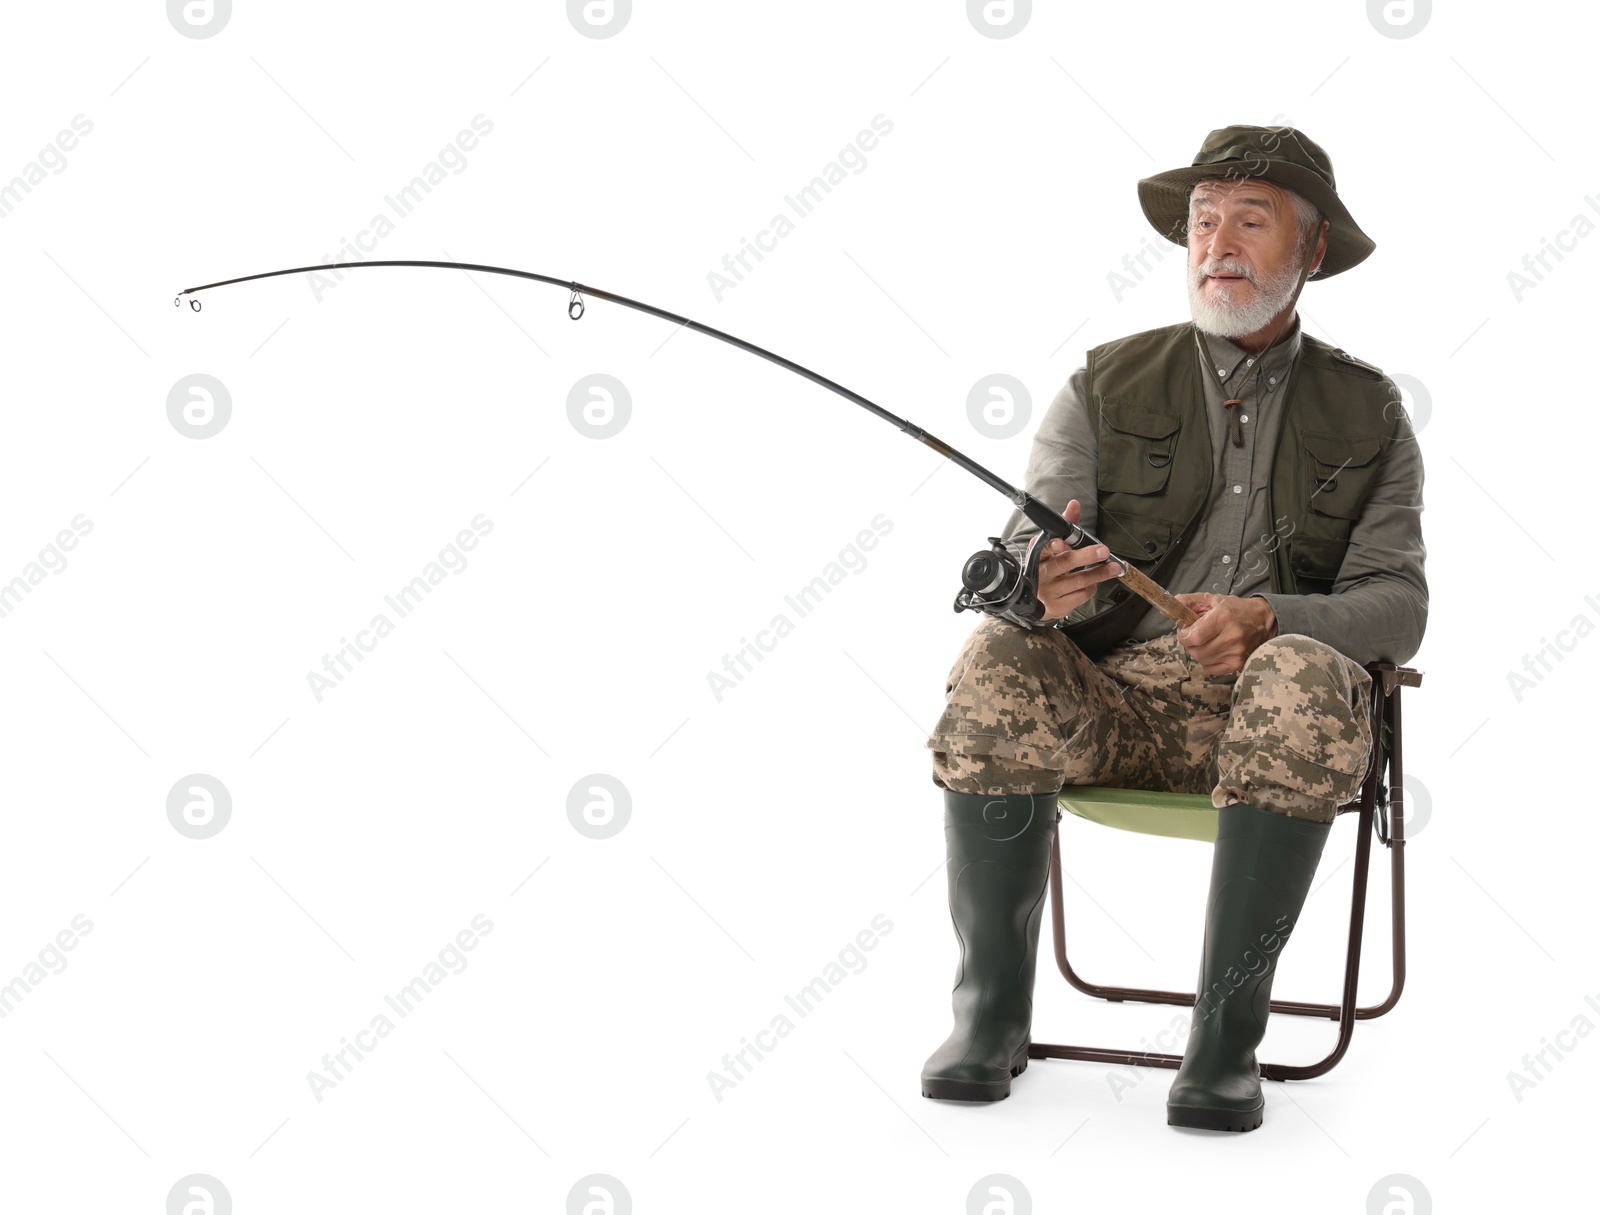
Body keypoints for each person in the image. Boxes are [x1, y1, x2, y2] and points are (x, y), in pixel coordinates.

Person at [919, 124, 1427, 1133]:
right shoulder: (1101, 384)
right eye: (1201, 222)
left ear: (1312, 250)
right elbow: (1036, 532)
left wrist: (1269, 618)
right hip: (1115, 708)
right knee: (994, 658)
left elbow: (1398, 605)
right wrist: (1042, 586)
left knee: (1294, 670)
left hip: (1283, 722)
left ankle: (1225, 1039)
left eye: (1250, 220)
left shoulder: (1368, 413)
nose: (1217, 244)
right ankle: (988, 1018)